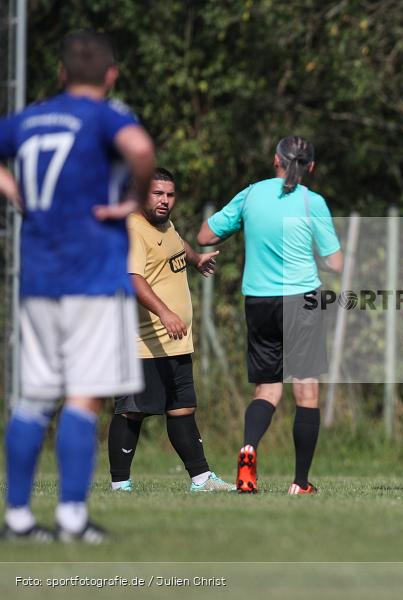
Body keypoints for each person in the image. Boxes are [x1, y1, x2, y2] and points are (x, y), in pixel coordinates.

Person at [0, 30, 155, 541]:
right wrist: (133, 201)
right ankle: (71, 517)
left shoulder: (31, 118)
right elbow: (140, 147)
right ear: (110, 76)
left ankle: (18, 518)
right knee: (83, 397)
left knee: (33, 399)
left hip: (39, 276)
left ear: (62, 74)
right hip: (91, 273)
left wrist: (18, 195)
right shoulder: (105, 115)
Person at [198, 136, 343, 495]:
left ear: (275, 159)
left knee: (267, 388)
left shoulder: (250, 194)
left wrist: (242, 229)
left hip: (259, 300)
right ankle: (300, 483)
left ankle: (248, 452)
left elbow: (205, 235)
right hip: (301, 299)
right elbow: (335, 263)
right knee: (306, 391)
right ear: (311, 167)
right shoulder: (313, 202)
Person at [107, 168, 232, 493]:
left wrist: (196, 259)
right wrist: (164, 312)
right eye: (157, 193)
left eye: (169, 194)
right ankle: (120, 485)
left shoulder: (164, 224)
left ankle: (202, 479)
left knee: (182, 410)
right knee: (131, 411)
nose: (164, 200)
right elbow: (133, 279)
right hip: (143, 343)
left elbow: (176, 248)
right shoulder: (135, 228)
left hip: (175, 343)